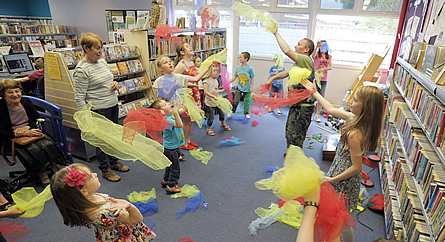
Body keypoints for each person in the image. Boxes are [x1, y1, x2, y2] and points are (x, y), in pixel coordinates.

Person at [301, 79, 384, 242]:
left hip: (343, 181)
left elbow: (356, 167)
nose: (350, 101)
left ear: (365, 107)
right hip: (341, 174)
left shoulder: (355, 134)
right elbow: (330, 109)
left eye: (355, 100)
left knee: (338, 220)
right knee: (341, 219)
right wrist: (314, 91)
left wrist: (332, 179)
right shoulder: (355, 118)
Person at [73, 32, 129, 182]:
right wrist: (86, 117)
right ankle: (105, 169)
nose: (100, 51)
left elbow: (107, 81)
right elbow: (79, 96)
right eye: (97, 48)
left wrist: (115, 84)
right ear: (86, 48)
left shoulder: (102, 62)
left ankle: (114, 162)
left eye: (101, 48)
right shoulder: (82, 70)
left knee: (112, 136)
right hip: (98, 109)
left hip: (112, 105)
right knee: (102, 140)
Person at [50, 163, 156, 241]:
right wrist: (129, 206)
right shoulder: (106, 213)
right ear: (84, 191)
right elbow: (137, 219)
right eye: (91, 176)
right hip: (123, 235)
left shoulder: (83, 202)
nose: (96, 174)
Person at [0, 79, 64, 186]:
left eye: (17, 91)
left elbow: (36, 119)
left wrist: (27, 128)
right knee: (33, 149)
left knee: (49, 143)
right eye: (10, 92)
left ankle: (54, 166)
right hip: (11, 137)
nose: (15, 95)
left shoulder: (26, 102)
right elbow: (1, 132)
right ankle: (41, 172)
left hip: (29, 130)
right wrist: (20, 133)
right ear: (3, 94)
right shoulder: (1, 108)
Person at [266, 29, 315, 150]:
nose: (295, 46)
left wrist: (276, 33)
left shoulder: (306, 60)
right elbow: (288, 72)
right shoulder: (300, 63)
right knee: (290, 131)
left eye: (299, 44)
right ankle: (292, 155)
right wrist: (272, 78)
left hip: (304, 105)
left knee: (297, 134)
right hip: (296, 103)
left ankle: (295, 159)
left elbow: (287, 51)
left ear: (306, 50)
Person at [149, 99, 186, 193]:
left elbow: (183, 109)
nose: (169, 104)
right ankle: (171, 185)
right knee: (175, 168)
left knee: (169, 165)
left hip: (173, 147)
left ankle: (165, 180)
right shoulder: (165, 121)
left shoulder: (170, 115)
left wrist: (185, 100)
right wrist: (176, 113)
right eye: (165, 104)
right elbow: (179, 125)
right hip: (170, 149)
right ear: (161, 112)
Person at [173, 43, 201, 150]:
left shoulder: (191, 62)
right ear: (182, 52)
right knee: (186, 119)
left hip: (195, 92)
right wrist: (188, 84)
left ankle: (188, 139)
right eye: (187, 47)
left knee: (191, 118)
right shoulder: (182, 64)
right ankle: (184, 142)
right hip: (187, 93)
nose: (190, 47)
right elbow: (175, 78)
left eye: (190, 45)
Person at [202, 63, 230, 136]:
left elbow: (216, 90)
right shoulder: (206, 81)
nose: (216, 73)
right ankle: (209, 128)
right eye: (214, 71)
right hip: (210, 102)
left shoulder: (216, 80)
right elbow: (206, 91)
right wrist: (213, 96)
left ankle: (223, 123)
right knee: (211, 116)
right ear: (209, 72)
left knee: (221, 113)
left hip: (217, 101)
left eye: (216, 71)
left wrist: (223, 90)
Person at [311, 40, 333, 122]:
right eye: (320, 46)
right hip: (316, 78)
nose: (321, 47)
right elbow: (312, 56)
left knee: (321, 97)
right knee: (313, 96)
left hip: (323, 79)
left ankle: (317, 115)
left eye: (322, 46)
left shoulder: (329, 56)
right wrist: (316, 46)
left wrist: (323, 69)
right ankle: (312, 114)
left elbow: (330, 67)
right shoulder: (317, 54)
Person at [230, 52, 255, 119]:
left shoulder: (249, 68)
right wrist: (229, 82)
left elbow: (252, 78)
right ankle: (232, 111)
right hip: (239, 87)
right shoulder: (238, 68)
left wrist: (251, 87)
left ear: (246, 59)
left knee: (246, 101)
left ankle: (246, 113)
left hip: (247, 88)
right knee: (235, 100)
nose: (240, 59)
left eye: (241, 57)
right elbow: (235, 76)